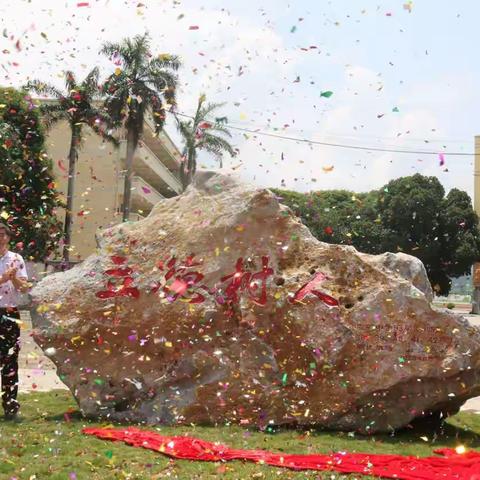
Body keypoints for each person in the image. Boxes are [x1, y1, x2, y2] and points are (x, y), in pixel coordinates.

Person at [0, 222, 29, 420]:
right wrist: (3, 278)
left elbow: (24, 287)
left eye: (3, 234)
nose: (0, 237)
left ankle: (11, 407)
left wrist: (13, 278)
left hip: (9, 312)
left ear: (8, 237)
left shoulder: (16, 259)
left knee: (10, 360)